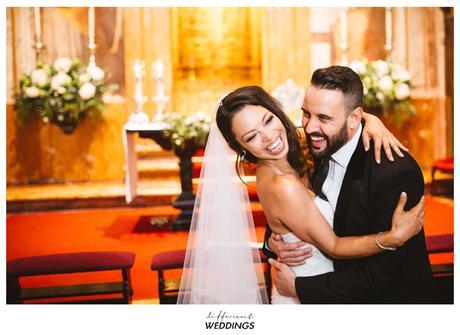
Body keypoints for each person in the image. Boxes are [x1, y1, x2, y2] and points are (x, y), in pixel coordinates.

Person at [177, 79, 424, 304]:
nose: (268, 137)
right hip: (308, 296)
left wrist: (371, 120)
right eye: (251, 136)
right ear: (240, 147)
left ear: (276, 112)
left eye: (268, 120)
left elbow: (385, 276)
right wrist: (391, 238)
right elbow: (334, 246)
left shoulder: (306, 149)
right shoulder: (283, 180)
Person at [265, 66, 433, 303]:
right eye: (306, 113)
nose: (310, 126)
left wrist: (300, 288)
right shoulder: (313, 150)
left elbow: (380, 275)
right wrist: (275, 242)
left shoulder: (394, 174)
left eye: (323, 118)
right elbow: (284, 208)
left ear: (354, 119)